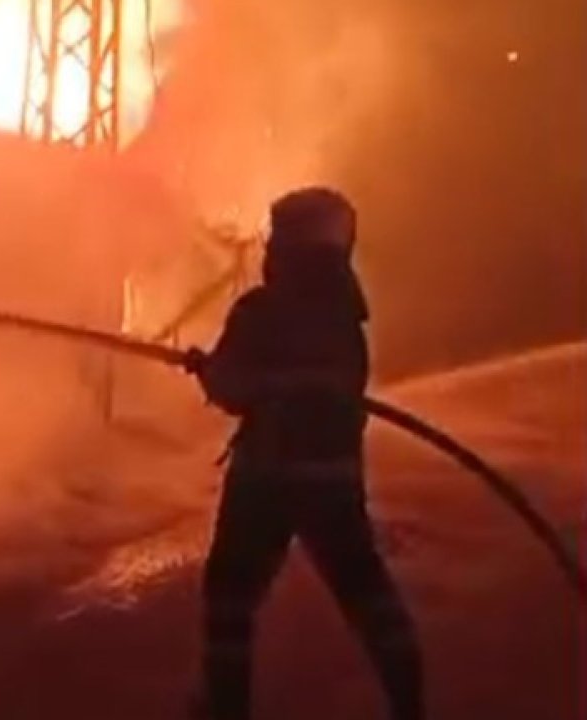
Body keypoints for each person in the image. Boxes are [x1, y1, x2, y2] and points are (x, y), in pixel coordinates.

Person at [183, 187, 423, 720]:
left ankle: (226, 708)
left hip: (264, 479)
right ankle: (409, 699)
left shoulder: (260, 310)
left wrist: (208, 370)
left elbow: (233, 389)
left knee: (229, 594)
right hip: (333, 481)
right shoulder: (347, 321)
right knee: (366, 592)